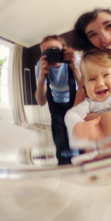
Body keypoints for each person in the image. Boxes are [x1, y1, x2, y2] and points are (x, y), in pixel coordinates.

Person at [35, 35, 81, 165]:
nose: (52, 55)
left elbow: (85, 90)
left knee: (79, 134)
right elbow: (41, 102)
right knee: (59, 137)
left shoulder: (75, 59)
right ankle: (63, 163)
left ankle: (83, 160)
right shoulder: (41, 66)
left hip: (75, 100)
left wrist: (74, 67)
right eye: (47, 52)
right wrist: (41, 79)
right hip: (56, 103)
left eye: (55, 50)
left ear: (64, 49)